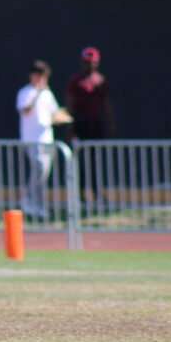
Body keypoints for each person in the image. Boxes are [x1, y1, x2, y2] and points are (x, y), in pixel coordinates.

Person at [16, 60, 71, 220]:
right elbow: (24, 109)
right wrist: (37, 93)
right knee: (38, 169)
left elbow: (54, 114)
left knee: (43, 174)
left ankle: (37, 204)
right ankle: (27, 199)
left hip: (47, 139)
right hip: (31, 140)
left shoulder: (48, 93)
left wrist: (64, 118)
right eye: (40, 76)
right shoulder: (25, 92)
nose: (42, 80)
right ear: (33, 75)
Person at [65, 47, 117, 203]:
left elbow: (105, 103)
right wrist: (70, 128)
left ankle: (96, 191)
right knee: (79, 160)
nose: (89, 66)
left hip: (95, 124)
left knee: (95, 159)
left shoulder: (100, 81)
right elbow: (70, 104)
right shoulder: (75, 81)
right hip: (80, 124)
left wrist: (111, 123)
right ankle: (80, 193)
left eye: (92, 63)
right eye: (86, 63)